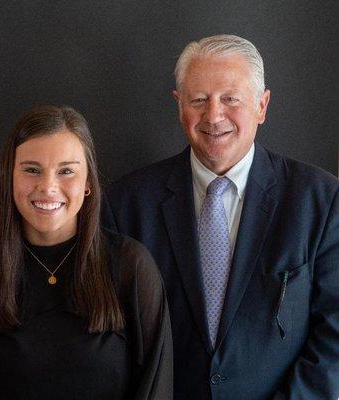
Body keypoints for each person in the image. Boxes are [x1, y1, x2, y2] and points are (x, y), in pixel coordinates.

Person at [103, 34, 339, 399]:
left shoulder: (320, 201)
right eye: (199, 100)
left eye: (231, 99)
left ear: (262, 106)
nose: (214, 116)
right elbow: (113, 343)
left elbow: (334, 338)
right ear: (179, 106)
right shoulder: (126, 205)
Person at [0, 105, 172, 399]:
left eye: (66, 171)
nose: (48, 187)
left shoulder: (131, 265)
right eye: (31, 170)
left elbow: (155, 386)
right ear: (9, 178)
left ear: (88, 182)